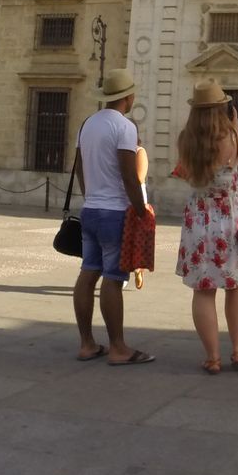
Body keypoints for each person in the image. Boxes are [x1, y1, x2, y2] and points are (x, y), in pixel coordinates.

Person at [71, 68, 154, 366]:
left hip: (91, 208)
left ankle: (87, 344)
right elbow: (130, 176)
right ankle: (118, 347)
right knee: (113, 278)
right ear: (128, 98)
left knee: (87, 272)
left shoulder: (87, 124)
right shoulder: (125, 128)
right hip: (114, 211)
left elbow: (79, 166)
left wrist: (89, 194)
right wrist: (141, 211)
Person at [175, 82, 238, 374]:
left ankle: (212, 357)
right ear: (224, 108)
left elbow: (185, 174)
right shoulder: (235, 138)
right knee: (235, 287)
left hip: (198, 222)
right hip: (230, 222)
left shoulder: (186, 140)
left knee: (203, 290)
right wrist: (235, 130)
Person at [127, 141, 151, 291]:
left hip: (135, 197)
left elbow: (139, 178)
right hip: (119, 195)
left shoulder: (139, 151)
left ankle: (137, 267)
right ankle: (126, 271)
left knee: (136, 235)